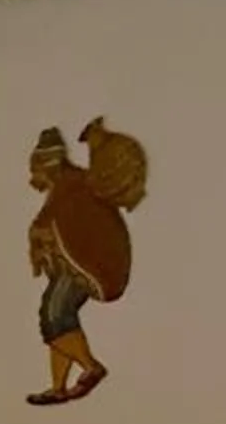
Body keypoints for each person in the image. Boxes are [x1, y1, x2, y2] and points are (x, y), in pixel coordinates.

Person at [26, 119, 146, 404]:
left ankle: (91, 367)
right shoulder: (68, 184)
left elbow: (46, 222)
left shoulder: (71, 185)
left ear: (48, 165)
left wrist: (37, 237)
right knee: (60, 315)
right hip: (79, 262)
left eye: (36, 169)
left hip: (90, 263)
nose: (33, 177)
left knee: (54, 316)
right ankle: (58, 387)